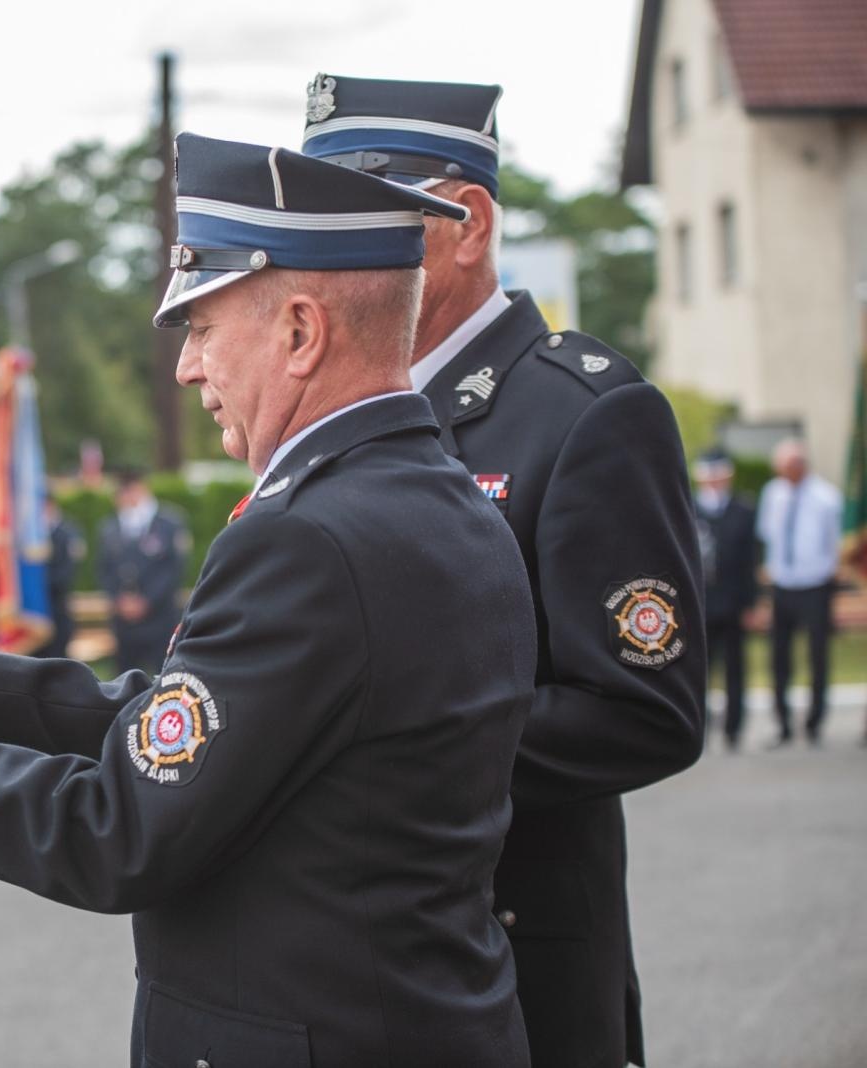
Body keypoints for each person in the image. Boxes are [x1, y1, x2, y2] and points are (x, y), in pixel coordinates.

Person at [0, 135, 534, 1066]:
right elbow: (231, 728)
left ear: (301, 332)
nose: (187, 368)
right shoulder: (445, 501)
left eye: (206, 329)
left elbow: (117, 831)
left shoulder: (307, 536)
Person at [301, 74, 706, 1068]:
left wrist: (381, 745)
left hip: (522, 967)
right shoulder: (335, 420)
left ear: (467, 224)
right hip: (361, 973)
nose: (324, 250)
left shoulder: (581, 413)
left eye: (356, 216)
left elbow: (643, 710)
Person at [756, 438, 842, 746]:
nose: (783, 473)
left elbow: (833, 545)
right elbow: (768, 537)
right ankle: (783, 723)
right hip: (782, 585)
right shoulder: (773, 494)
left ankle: (815, 720)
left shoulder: (826, 498)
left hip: (815, 585)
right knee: (779, 657)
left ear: (801, 466)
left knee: (817, 655)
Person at [694, 449, 759, 749]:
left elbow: (750, 561)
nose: (714, 480)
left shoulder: (743, 510)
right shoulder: (689, 508)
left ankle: (734, 728)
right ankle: (701, 727)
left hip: (733, 603)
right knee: (701, 671)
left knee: (736, 669)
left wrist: (751, 602)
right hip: (701, 605)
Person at [96, 471, 189, 673]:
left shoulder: (169, 523)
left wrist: (147, 601)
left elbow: (173, 569)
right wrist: (119, 600)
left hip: (158, 617)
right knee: (124, 678)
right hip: (124, 621)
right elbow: (104, 569)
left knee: (161, 676)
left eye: (130, 489)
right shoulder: (110, 527)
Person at [37, 495, 85, 659]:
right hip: (35, 615)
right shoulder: (30, 533)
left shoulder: (67, 533)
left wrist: (38, 585)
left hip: (57, 610)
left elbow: (66, 574)